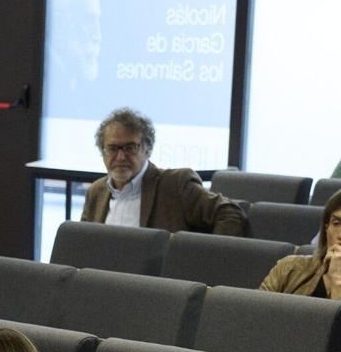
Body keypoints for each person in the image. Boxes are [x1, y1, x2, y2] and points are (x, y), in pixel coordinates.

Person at [80, 107, 247, 235]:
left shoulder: (175, 185)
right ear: (102, 151)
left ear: (147, 149)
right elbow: (84, 244)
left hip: (156, 279)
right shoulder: (96, 192)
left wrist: (202, 261)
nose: (121, 156)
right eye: (113, 148)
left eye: (130, 147)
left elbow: (231, 214)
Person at [259, 190, 341, 296]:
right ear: (326, 229)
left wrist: (337, 283)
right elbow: (253, 309)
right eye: (336, 223)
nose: (340, 235)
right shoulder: (289, 269)